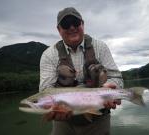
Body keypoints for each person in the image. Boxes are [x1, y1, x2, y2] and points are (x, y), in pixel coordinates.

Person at [39, 7, 123, 135]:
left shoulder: (100, 47)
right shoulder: (49, 55)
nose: (72, 27)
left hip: (99, 118)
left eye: (76, 22)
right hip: (64, 123)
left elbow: (116, 77)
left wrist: (111, 88)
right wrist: (53, 108)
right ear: (59, 29)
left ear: (83, 24)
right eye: (66, 24)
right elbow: (46, 90)